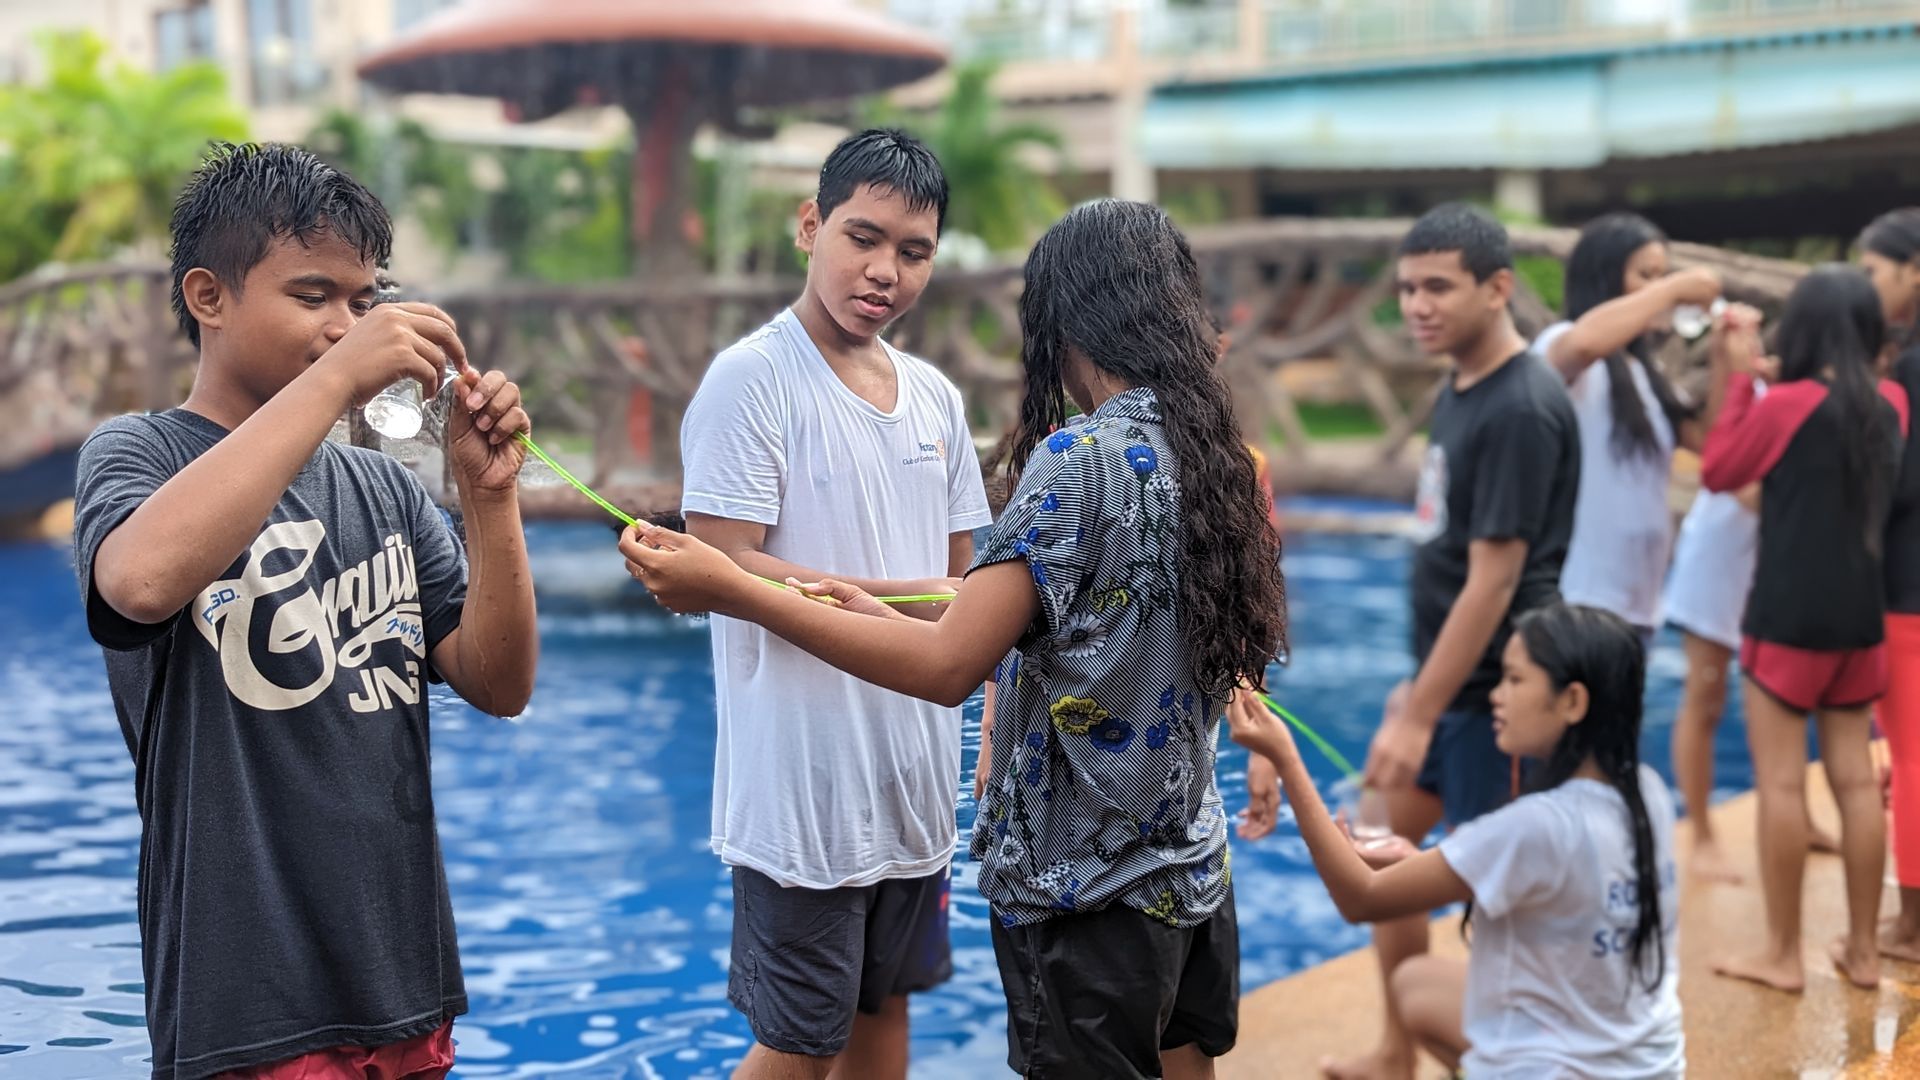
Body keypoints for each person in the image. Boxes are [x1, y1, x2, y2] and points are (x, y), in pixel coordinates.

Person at [624, 199, 1288, 1080]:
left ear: (1063, 319)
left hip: (1088, 895)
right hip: (1191, 872)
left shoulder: (1077, 460)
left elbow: (950, 664)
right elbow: (1002, 606)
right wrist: (850, 596)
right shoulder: (1212, 459)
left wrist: (734, 590)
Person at [71, 143, 538, 1080]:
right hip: (246, 998)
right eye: (313, 296)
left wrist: (488, 499)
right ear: (208, 298)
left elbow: (499, 682)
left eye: (365, 302)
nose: (348, 326)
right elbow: (139, 584)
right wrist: (336, 381)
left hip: (404, 978)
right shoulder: (136, 456)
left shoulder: (385, 490)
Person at [673, 128, 992, 1080]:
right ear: (809, 226)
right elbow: (719, 568)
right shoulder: (752, 380)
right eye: (863, 236)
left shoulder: (936, 399)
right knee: (796, 1051)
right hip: (803, 798)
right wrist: (909, 598)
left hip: (912, 786)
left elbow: (964, 594)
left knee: (885, 1015)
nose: (884, 269)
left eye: (913, 250)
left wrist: (901, 601)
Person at [1230, 603, 1683, 1078]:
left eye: (1514, 679)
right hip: (1652, 1066)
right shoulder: (1646, 791)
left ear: (1572, 701)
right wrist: (1417, 861)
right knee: (1416, 985)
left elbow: (1360, 899)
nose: (1496, 696)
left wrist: (1285, 758)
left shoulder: (1537, 825)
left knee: (1422, 989)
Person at [1339, 204, 1580, 1080]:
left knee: (1494, 906)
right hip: (1447, 689)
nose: (1416, 305)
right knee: (1378, 843)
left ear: (1498, 288)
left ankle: (1492, 1060)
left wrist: (1418, 714)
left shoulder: (1520, 403)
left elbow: (1495, 579)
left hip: (1502, 700)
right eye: (1406, 288)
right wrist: (1413, 697)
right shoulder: (1463, 384)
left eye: (1437, 286)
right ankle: (1401, 1048)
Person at [1701, 265, 1910, 993]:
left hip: (1787, 619)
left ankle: (1782, 956)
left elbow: (1721, 470)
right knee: (1856, 782)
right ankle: (1861, 952)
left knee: (1782, 784)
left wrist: (1736, 381)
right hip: (1861, 620)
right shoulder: (1891, 404)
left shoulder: (1784, 402)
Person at [1856, 208, 1920, 962]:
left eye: (1874, 270)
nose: (1867, 285)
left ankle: (1910, 925)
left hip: (1907, 590)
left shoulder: (1909, 370)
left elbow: (1899, 490)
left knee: (1909, 758)